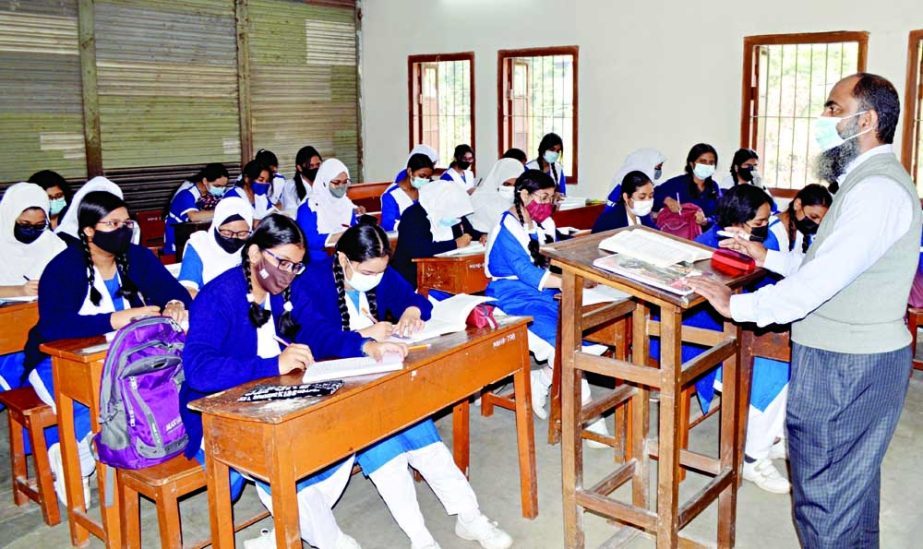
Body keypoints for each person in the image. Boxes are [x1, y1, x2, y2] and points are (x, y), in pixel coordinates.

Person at [688, 73, 921, 548]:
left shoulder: (876, 191)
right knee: (851, 492)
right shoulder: (866, 183)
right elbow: (829, 264)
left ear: (867, 120)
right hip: (858, 357)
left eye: (833, 109)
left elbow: (819, 283)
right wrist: (766, 257)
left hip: (846, 366)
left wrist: (737, 304)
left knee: (825, 498)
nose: (824, 120)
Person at [295, 222, 513, 549]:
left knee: (423, 436)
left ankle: (470, 517)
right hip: (338, 381)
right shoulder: (310, 282)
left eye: (381, 270)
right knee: (384, 447)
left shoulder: (378, 270)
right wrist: (364, 338)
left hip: (381, 374)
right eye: (368, 271)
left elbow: (415, 300)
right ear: (343, 260)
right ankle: (419, 536)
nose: (376, 277)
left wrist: (411, 310)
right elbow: (313, 337)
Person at [180, 214, 361, 549]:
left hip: (275, 397)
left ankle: (284, 532)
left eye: (296, 265)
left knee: (343, 428)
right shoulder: (218, 296)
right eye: (282, 262)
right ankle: (333, 542)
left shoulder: (284, 292)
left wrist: (365, 345)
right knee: (285, 456)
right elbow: (199, 370)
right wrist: (271, 364)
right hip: (219, 408)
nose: (289, 273)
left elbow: (319, 333)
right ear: (253, 254)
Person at [25, 190, 191, 505]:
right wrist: (115, 318)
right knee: (97, 404)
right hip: (57, 358)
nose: (122, 230)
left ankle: (94, 451)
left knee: (147, 392)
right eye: (111, 223)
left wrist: (174, 302)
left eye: (126, 222)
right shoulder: (65, 267)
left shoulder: (136, 256)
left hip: (122, 355)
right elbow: (54, 327)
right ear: (88, 230)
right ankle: (75, 455)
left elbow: (173, 289)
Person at [672, 185, 791, 494]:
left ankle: (771, 437)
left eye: (767, 220)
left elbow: (781, 282)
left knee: (797, 355)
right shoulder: (704, 249)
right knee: (772, 368)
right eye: (759, 223)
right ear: (737, 222)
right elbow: (703, 312)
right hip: (712, 335)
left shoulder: (764, 240)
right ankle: (753, 458)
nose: (766, 228)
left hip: (753, 322)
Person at [484, 170, 607, 440]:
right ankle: (589, 417)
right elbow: (527, 272)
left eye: (552, 198)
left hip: (542, 294)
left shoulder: (544, 223)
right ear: (523, 195)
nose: (548, 204)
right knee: (564, 344)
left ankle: (540, 381)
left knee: (579, 329)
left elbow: (556, 252)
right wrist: (569, 282)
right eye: (543, 197)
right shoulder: (507, 229)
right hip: (511, 296)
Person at [0, 183, 66, 395]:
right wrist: (18, 290)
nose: (32, 231)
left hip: (40, 322)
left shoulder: (53, 245)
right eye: (25, 224)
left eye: (39, 225)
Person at [390, 176, 483, 287]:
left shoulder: (452, 213)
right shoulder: (414, 216)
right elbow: (420, 249)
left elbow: (469, 231)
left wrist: (483, 236)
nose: (456, 217)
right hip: (413, 276)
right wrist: (455, 244)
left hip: (447, 270)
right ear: (439, 203)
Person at [178, 196, 253, 297]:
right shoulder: (199, 245)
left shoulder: (254, 248)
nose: (234, 238)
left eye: (242, 234)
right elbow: (188, 288)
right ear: (216, 226)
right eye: (227, 233)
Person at [296, 158, 356, 262]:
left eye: (345, 182)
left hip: (345, 259)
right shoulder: (309, 207)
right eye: (336, 182)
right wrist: (337, 237)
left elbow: (353, 229)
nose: (341, 186)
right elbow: (308, 239)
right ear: (324, 182)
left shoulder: (346, 204)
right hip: (317, 262)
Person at [164, 163, 231, 255]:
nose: (221, 189)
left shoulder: (213, 195)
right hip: (178, 245)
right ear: (205, 181)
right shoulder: (186, 194)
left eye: (224, 186)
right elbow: (194, 216)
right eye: (217, 186)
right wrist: (223, 211)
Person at [55, 176, 140, 247]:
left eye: (126, 222)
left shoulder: (142, 254)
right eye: (113, 223)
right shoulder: (63, 245)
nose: (121, 229)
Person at [653, 143, 722, 229]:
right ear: (692, 163)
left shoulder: (714, 187)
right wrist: (666, 199)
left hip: (704, 238)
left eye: (711, 163)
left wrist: (706, 220)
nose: (707, 166)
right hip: (679, 235)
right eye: (703, 162)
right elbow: (653, 195)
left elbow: (721, 216)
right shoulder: (678, 183)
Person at [766, 184, 832, 268]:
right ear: (797, 204)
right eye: (813, 216)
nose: (817, 223)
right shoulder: (770, 233)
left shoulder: (803, 231)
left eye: (821, 221)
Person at [468, 158, 524, 233]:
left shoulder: (522, 203)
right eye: (506, 184)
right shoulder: (478, 199)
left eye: (516, 185)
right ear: (497, 181)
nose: (512, 189)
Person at [592, 170, 657, 233]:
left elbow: (656, 234)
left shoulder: (644, 216)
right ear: (626, 197)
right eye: (642, 197)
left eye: (651, 196)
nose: (647, 201)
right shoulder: (610, 219)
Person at [380, 153, 432, 232]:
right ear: (410, 171)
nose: (425, 180)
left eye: (428, 177)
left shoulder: (426, 191)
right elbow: (388, 225)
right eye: (421, 176)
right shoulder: (391, 196)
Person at [282, 145, 323, 210]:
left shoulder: (325, 183)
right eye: (311, 166)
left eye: (318, 164)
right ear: (299, 168)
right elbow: (291, 212)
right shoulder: (291, 187)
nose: (315, 168)